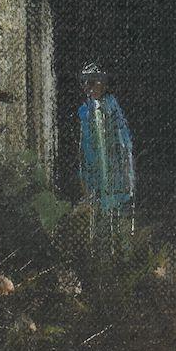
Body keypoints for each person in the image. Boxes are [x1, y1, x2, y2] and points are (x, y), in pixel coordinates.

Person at [77, 62, 136, 232]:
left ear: (102, 83)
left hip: (115, 175)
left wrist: (127, 175)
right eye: (85, 83)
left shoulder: (112, 107)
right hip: (95, 176)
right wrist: (85, 181)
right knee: (99, 222)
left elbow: (124, 143)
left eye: (93, 82)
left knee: (119, 219)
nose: (89, 88)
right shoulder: (85, 112)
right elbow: (84, 148)